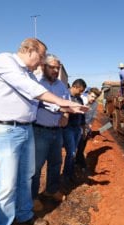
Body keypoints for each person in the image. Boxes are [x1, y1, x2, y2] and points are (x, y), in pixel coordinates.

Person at [0, 38, 88, 225]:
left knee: (26, 177)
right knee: (6, 184)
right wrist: (63, 102)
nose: (42, 62)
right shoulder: (4, 60)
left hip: (25, 129)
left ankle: (24, 216)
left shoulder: (30, 75)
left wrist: (67, 109)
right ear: (29, 50)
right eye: (41, 57)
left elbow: (42, 100)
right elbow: (31, 90)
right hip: (6, 129)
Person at [32, 54, 70, 211]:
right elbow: (42, 102)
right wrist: (61, 108)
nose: (55, 70)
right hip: (39, 131)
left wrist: (66, 115)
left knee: (55, 163)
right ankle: (32, 197)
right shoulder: (36, 83)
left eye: (57, 67)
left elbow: (66, 103)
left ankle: (51, 190)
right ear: (43, 67)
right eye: (52, 67)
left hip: (57, 132)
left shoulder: (61, 86)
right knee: (35, 167)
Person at [62, 79, 87, 184]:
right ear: (75, 87)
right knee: (71, 152)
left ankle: (70, 173)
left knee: (74, 152)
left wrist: (83, 127)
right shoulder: (65, 97)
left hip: (77, 128)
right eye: (80, 90)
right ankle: (66, 176)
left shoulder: (79, 99)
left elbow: (82, 115)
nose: (81, 93)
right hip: (68, 128)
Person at [76, 87, 101, 171]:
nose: (93, 99)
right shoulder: (82, 100)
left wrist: (89, 126)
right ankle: (79, 163)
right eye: (92, 96)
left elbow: (93, 116)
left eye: (95, 97)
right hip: (77, 124)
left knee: (83, 144)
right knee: (77, 145)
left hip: (86, 126)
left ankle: (78, 160)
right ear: (88, 94)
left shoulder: (95, 104)